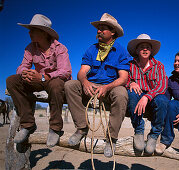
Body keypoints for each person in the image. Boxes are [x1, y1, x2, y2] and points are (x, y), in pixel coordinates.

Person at [64, 13, 130, 158]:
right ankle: (81, 128)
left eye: (103, 28)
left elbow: (123, 78)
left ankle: (111, 138)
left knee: (121, 94)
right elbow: (82, 72)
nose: (98, 31)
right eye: (98, 29)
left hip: (110, 86)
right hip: (91, 85)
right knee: (70, 85)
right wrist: (85, 82)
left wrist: (107, 87)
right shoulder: (91, 49)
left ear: (112, 32)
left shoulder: (121, 51)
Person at [6, 14, 72, 147]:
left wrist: (43, 77)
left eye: (33, 30)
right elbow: (22, 66)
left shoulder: (60, 48)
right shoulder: (30, 48)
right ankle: (28, 124)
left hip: (53, 80)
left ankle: (55, 128)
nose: (29, 33)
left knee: (56, 84)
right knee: (12, 80)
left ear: (43, 32)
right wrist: (24, 73)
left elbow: (65, 71)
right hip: (38, 80)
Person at [126, 34, 168, 154]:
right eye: (142, 47)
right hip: (138, 95)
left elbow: (162, 85)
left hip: (153, 95)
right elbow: (124, 79)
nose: (145, 49)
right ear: (137, 50)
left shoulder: (158, 65)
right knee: (132, 94)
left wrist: (147, 96)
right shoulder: (130, 65)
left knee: (163, 100)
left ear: (151, 51)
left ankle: (154, 135)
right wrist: (131, 83)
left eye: (147, 47)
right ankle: (139, 131)